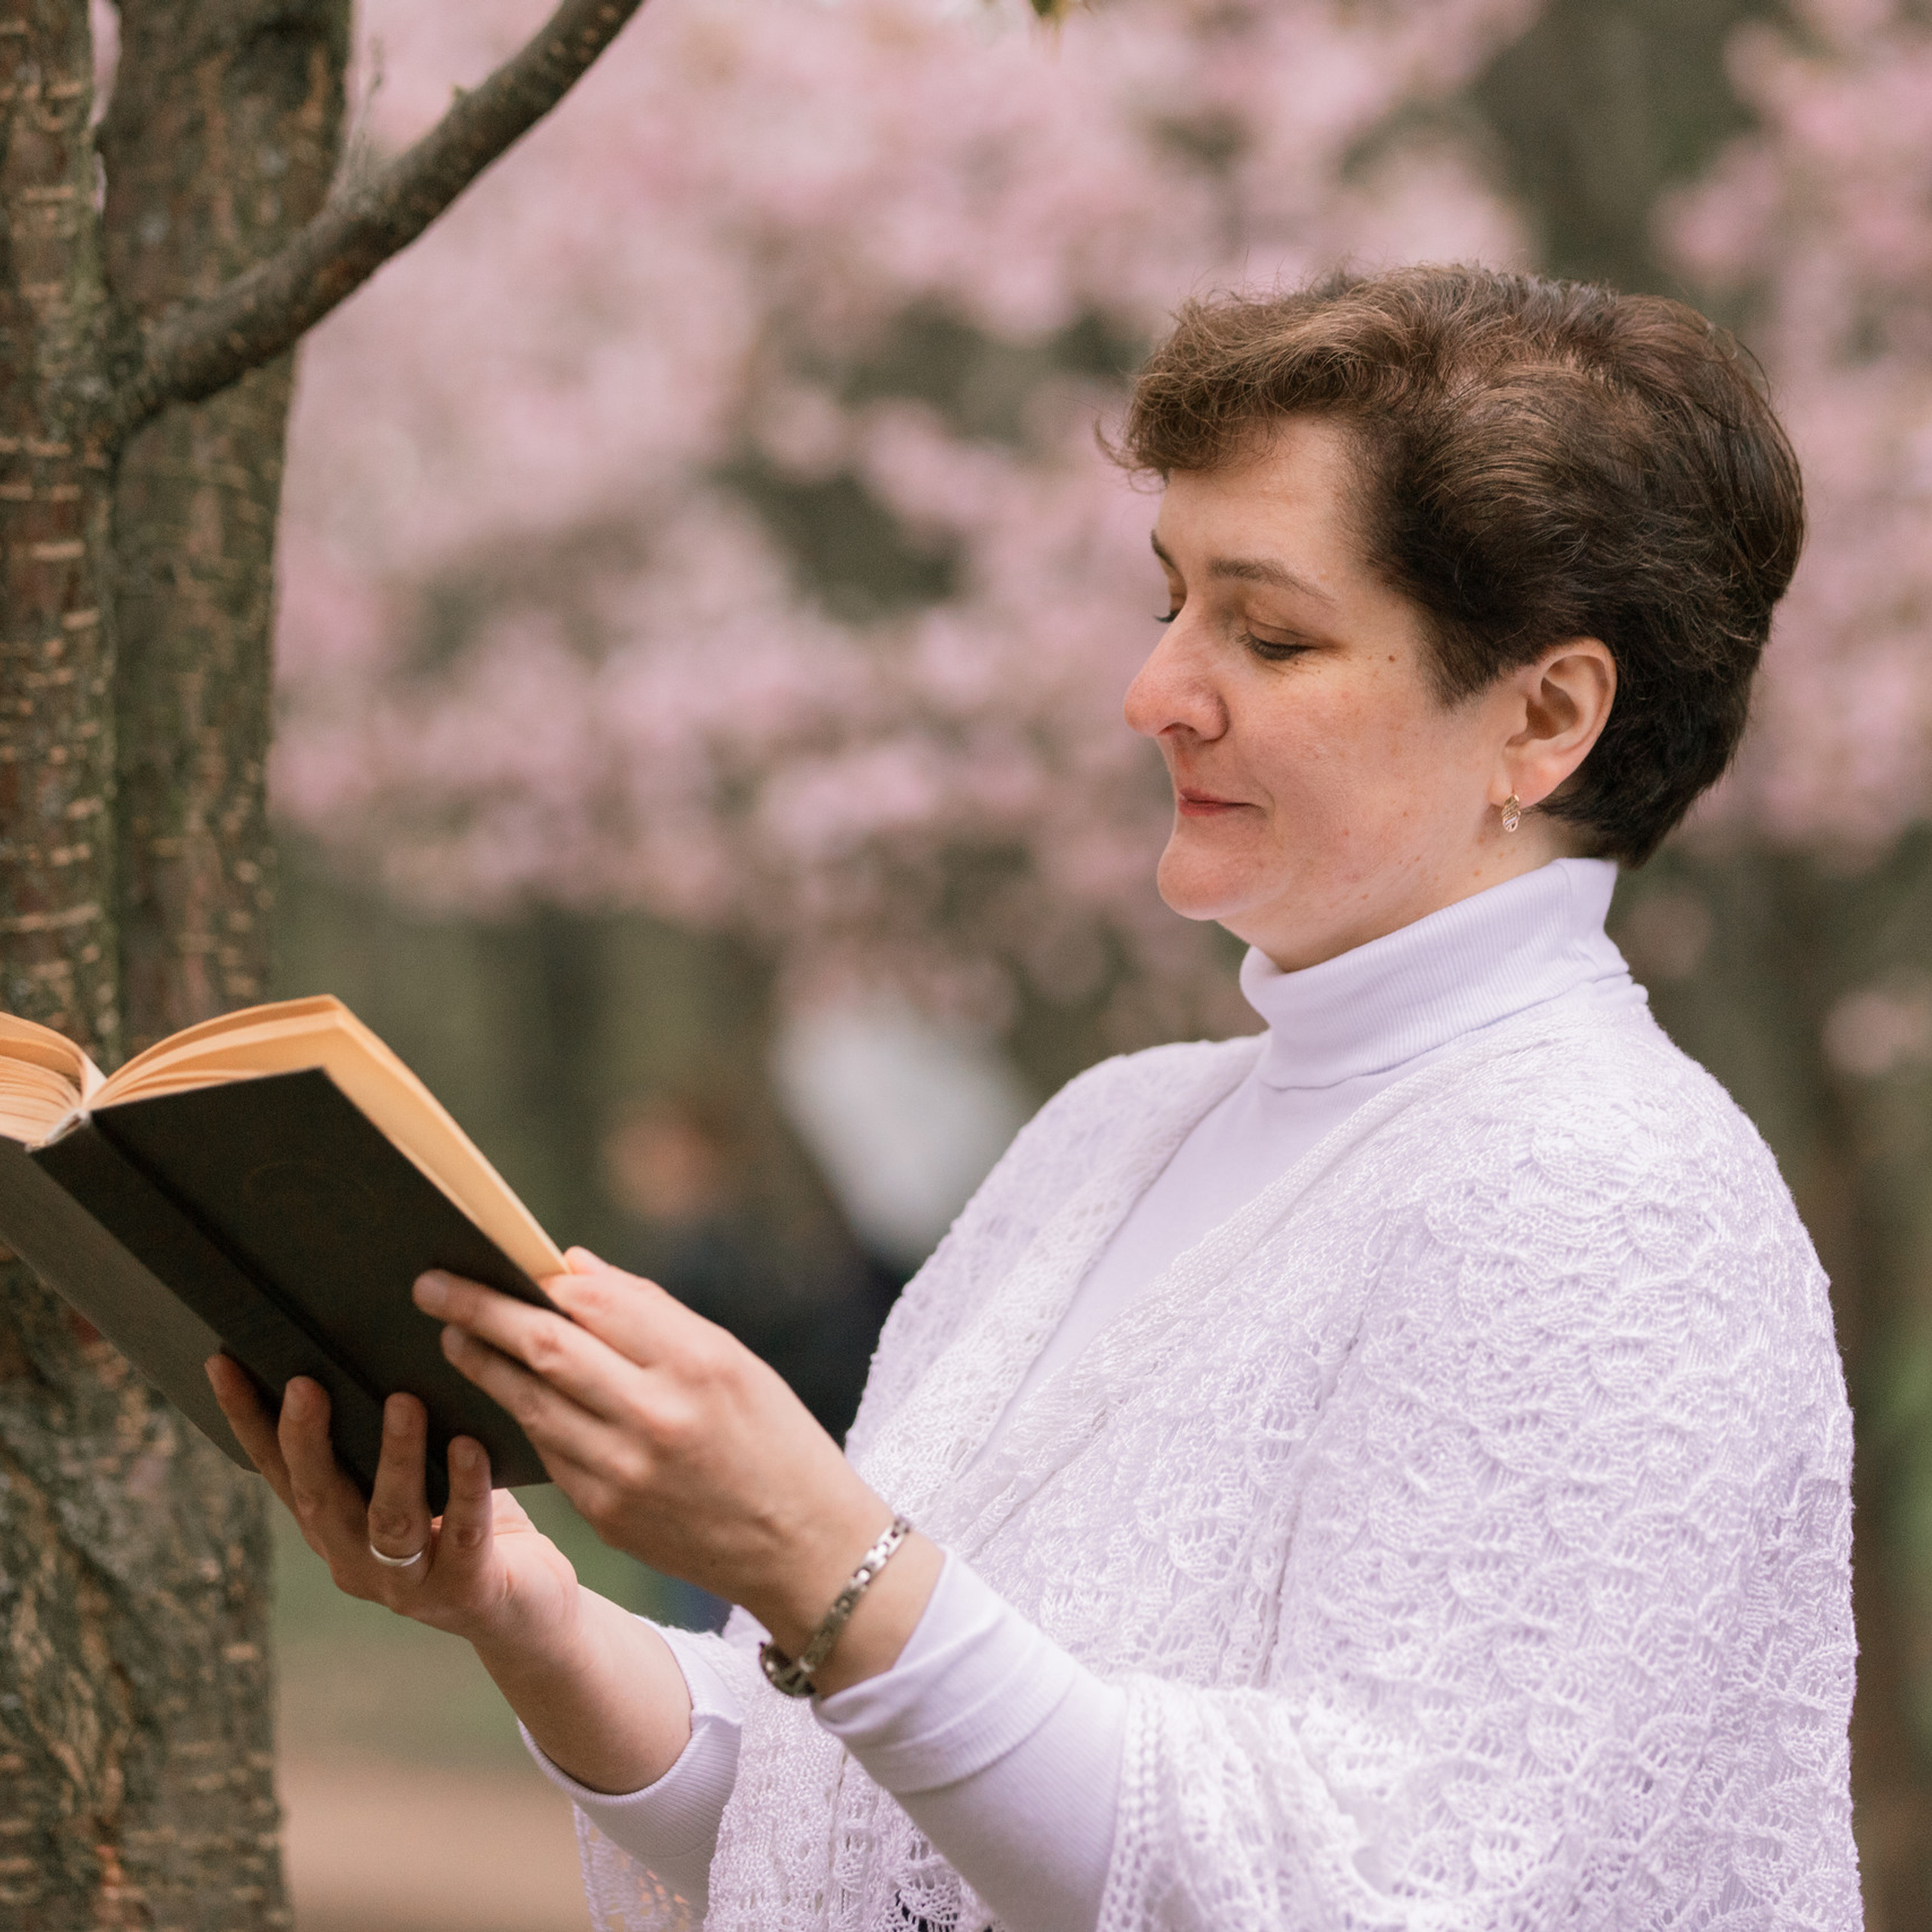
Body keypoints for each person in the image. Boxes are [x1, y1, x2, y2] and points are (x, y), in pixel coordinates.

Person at [211, 266, 1860, 1932]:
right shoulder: (1110, 1134)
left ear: (1545, 716)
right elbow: (845, 1829)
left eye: (1268, 633)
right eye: (1171, 602)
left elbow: (1374, 1894)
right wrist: (528, 1610)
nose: (1155, 692)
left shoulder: (1617, 1203)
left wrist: (817, 1554)